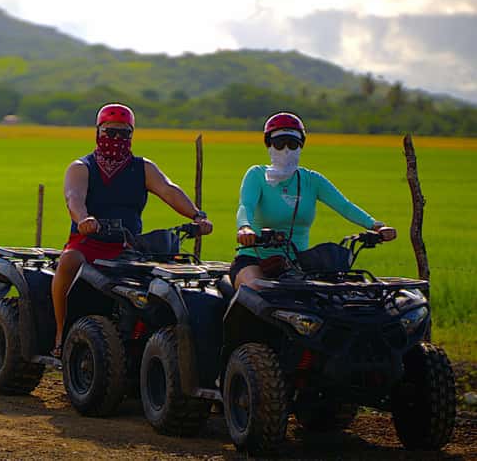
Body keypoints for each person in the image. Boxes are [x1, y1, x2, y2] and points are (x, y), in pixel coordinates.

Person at [50, 103, 213, 357]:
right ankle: (61, 333)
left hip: (129, 247)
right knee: (69, 260)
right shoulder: (81, 167)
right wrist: (84, 220)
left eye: (123, 133)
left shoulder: (142, 168)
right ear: (98, 132)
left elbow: (168, 189)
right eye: (110, 132)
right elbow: (74, 197)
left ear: (132, 135)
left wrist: (197, 215)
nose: (116, 139)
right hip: (89, 242)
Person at [232, 112, 396, 290]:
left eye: (293, 144)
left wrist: (376, 226)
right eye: (279, 143)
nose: (286, 150)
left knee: (335, 294)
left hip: (298, 263)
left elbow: (345, 206)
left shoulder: (312, 180)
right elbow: (246, 205)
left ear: (301, 146)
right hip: (254, 259)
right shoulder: (256, 175)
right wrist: (245, 228)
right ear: (269, 145)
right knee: (260, 289)